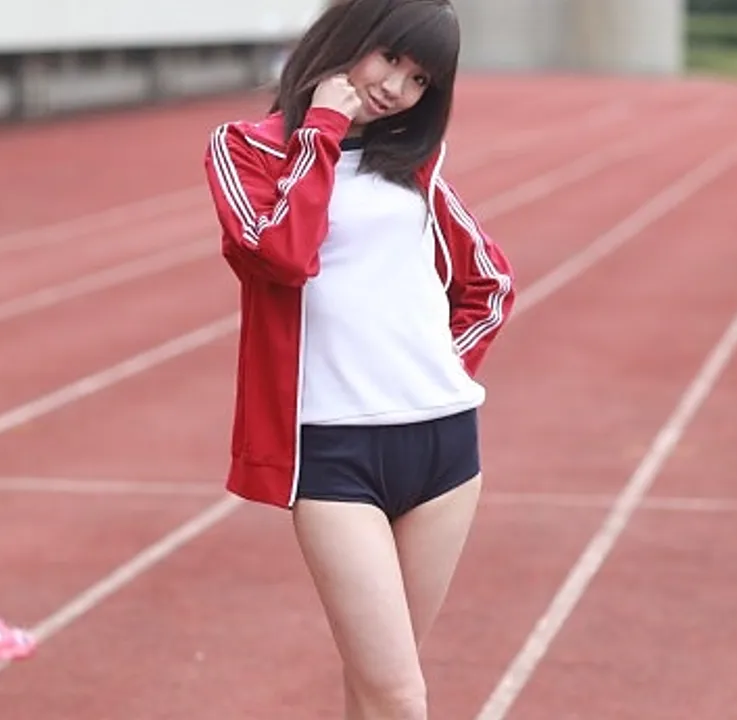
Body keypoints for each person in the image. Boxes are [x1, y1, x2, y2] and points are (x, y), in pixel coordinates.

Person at [203, 1, 515, 717]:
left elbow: (490, 282)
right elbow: (281, 256)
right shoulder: (245, 149)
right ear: (351, 36)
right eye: (391, 58)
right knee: (400, 695)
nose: (397, 89)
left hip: (444, 446)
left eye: (420, 79)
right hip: (335, 452)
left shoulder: (412, 166)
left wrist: (440, 369)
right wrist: (322, 130)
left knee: (374, 691)